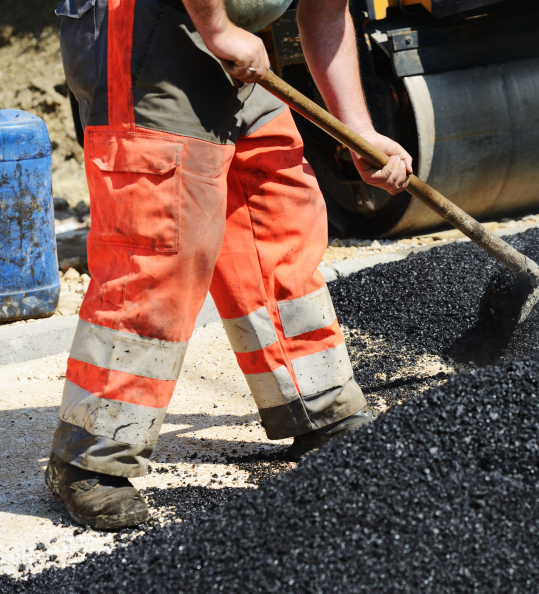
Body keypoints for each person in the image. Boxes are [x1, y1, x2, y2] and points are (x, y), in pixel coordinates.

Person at [45, 0, 412, 530]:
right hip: (146, 30)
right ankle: (89, 456)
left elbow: (325, 13)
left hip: (232, 40)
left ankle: (317, 405)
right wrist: (217, 30)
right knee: (162, 243)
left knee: (275, 211)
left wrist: (358, 131)